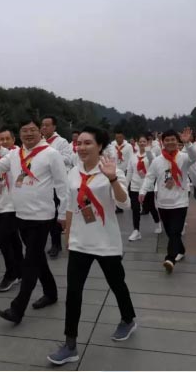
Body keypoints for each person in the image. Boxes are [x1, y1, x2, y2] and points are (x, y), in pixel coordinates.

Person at [47, 126, 136, 365]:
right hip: (80, 242)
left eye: (88, 143)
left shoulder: (111, 170)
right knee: (73, 293)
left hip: (106, 242)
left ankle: (128, 319)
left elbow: (124, 203)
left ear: (100, 146)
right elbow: (69, 205)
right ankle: (70, 344)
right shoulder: (73, 172)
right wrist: (68, 237)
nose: (82, 147)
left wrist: (113, 179)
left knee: (117, 284)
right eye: (80, 143)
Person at [0, 118, 68, 324]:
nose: (29, 134)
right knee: (37, 258)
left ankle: (17, 309)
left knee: (30, 262)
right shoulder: (15, 154)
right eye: (24, 130)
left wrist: (63, 214)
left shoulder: (51, 154)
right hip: (21, 215)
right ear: (20, 133)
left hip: (42, 217)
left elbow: (62, 186)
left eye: (32, 130)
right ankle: (51, 293)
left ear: (40, 132)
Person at [139, 128, 196, 273]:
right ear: (162, 142)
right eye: (167, 140)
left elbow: (194, 157)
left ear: (177, 141)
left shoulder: (184, 158)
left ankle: (170, 258)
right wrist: (143, 191)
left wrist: (188, 143)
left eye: (173, 139)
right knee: (171, 232)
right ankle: (181, 250)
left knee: (176, 231)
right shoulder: (157, 161)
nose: (170, 142)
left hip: (180, 201)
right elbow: (150, 177)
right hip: (163, 202)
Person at [0, 127, 24, 292]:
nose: (4, 142)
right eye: (1, 139)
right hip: (2, 205)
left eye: (6, 139)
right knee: (13, 240)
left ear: (13, 140)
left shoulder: (17, 155)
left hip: (14, 206)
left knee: (2, 238)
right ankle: (20, 271)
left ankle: (11, 273)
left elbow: (8, 154)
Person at [40, 115, 74, 258]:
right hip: (42, 184)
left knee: (54, 216)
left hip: (55, 184)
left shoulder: (61, 142)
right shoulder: (39, 141)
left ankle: (56, 244)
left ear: (54, 127)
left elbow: (68, 159)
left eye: (47, 125)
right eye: (42, 125)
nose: (44, 127)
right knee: (43, 215)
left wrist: (52, 156)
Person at [126, 135, 160, 241]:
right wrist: (125, 185)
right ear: (137, 143)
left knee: (150, 207)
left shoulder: (151, 155)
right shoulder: (133, 156)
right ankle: (136, 231)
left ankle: (157, 222)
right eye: (140, 141)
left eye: (144, 141)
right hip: (135, 186)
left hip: (147, 186)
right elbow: (130, 171)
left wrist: (148, 150)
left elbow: (152, 162)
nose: (142, 143)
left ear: (147, 143)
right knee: (135, 209)